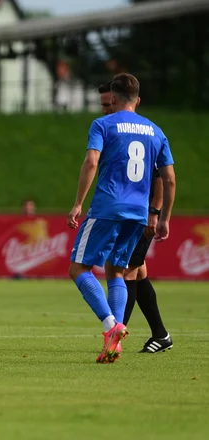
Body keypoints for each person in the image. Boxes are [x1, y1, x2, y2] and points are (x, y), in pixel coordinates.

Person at [67, 73, 175, 364]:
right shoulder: (156, 131)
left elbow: (91, 161)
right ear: (138, 100)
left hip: (107, 208)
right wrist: (163, 217)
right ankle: (117, 334)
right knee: (116, 270)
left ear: (112, 99)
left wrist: (78, 203)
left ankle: (110, 325)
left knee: (79, 269)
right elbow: (169, 178)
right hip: (139, 214)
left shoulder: (102, 124)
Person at [97, 81, 173, 353]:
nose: (107, 109)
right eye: (103, 105)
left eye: (110, 104)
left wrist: (155, 212)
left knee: (127, 271)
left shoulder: (135, 132)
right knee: (137, 271)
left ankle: (116, 333)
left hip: (138, 215)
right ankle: (161, 335)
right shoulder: (113, 129)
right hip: (128, 212)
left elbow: (162, 177)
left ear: (119, 100)